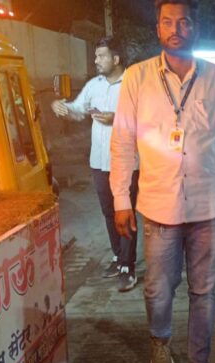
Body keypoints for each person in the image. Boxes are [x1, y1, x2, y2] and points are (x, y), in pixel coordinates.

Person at [110, 0, 215, 363]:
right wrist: (121, 200)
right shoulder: (137, 77)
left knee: (204, 293)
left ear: (195, 27)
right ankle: (160, 339)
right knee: (158, 291)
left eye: (183, 21)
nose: (175, 28)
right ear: (157, 28)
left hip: (207, 207)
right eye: (167, 21)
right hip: (158, 207)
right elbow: (122, 142)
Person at [51, 36, 139, 292]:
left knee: (125, 212)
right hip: (99, 162)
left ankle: (128, 266)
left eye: (101, 56)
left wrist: (117, 118)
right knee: (109, 212)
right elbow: (79, 110)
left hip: (126, 162)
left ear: (116, 58)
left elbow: (147, 119)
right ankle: (118, 257)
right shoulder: (94, 85)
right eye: (96, 56)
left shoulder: (133, 84)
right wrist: (62, 108)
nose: (96, 60)